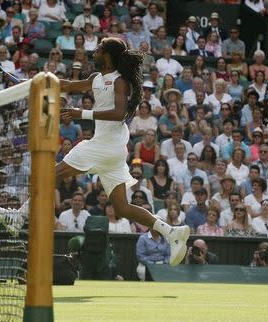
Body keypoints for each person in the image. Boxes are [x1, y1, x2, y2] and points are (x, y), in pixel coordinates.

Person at [58, 38, 190, 266]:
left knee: (51, 173)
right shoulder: (96, 78)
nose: (95, 52)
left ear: (107, 55)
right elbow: (69, 85)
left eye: (99, 49)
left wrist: (83, 113)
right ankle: (172, 233)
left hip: (105, 146)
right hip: (112, 151)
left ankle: (18, 215)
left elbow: (120, 114)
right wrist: (37, 82)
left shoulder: (120, 81)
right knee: (122, 207)